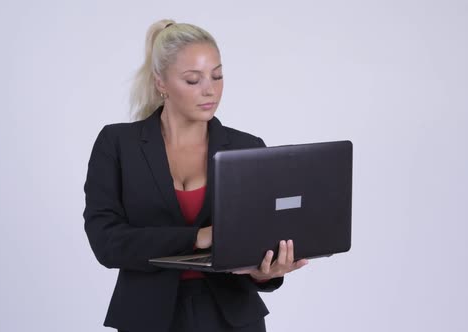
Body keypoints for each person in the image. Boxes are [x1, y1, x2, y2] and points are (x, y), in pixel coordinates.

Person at [83, 19, 308, 332]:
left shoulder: (247, 147)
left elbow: (258, 239)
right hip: (147, 317)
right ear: (160, 82)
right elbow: (106, 242)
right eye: (193, 80)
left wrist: (266, 271)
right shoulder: (118, 144)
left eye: (217, 76)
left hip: (232, 317)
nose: (210, 90)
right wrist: (199, 237)